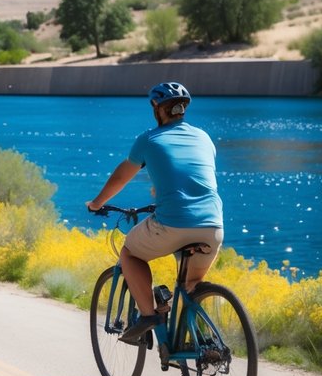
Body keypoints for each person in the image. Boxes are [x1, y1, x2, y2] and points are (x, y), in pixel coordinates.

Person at [86, 81, 223, 344]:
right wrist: (158, 191)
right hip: (213, 225)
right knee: (191, 286)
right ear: (183, 109)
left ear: (156, 107)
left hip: (173, 223)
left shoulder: (148, 139)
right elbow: (192, 174)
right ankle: (202, 344)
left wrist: (96, 203)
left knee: (130, 252)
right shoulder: (204, 138)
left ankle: (149, 315)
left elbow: (121, 177)